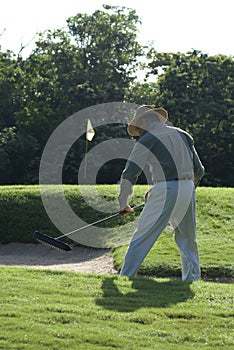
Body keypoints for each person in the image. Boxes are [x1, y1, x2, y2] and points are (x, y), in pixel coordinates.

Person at [118, 105, 205, 280]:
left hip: (165, 188)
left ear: (143, 122)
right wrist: (185, 189)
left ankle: (126, 276)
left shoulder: (146, 140)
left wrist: (123, 203)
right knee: (187, 238)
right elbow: (199, 170)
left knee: (142, 235)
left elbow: (130, 173)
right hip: (188, 187)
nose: (139, 133)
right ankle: (192, 279)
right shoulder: (183, 134)